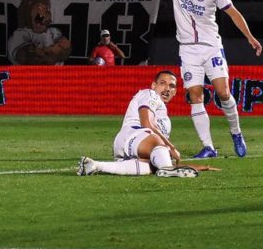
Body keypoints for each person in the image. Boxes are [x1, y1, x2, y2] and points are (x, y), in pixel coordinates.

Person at [140, 0, 263, 158]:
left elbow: (233, 13)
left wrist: (250, 37)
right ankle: (208, 147)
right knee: (195, 96)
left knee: (223, 92)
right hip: (187, 49)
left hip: (210, 47)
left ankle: (236, 132)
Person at [77, 71, 215, 178]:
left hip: (130, 146)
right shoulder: (150, 94)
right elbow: (146, 123)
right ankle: (169, 169)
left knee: (151, 167)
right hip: (133, 134)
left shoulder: (166, 121)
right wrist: (171, 147)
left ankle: (95, 166)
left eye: (171, 86)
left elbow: (158, 154)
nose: (167, 88)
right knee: (157, 142)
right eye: (162, 83)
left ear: (175, 92)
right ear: (154, 85)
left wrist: (194, 167)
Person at [7, 0, 72, 65]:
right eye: (39, 7)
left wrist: (65, 48)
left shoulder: (54, 32)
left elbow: (64, 53)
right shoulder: (20, 35)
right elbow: (26, 58)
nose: (44, 12)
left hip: (56, 75)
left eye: (47, 9)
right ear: (28, 11)